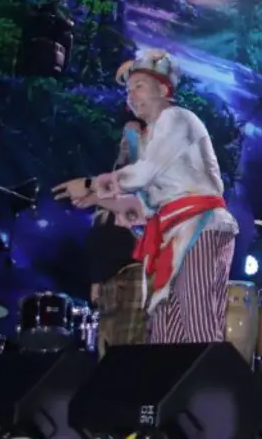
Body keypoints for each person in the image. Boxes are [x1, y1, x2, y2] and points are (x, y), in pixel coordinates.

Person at [88, 49, 238, 343]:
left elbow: (142, 173)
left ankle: (205, 388)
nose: (131, 95)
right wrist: (97, 199)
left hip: (200, 226)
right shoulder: (153, 135)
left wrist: (92, 185)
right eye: (128, 90)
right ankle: (175, 387)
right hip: (170, 234)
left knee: (197, 327)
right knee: (164, 335)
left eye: (139, 86)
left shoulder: (178, 119)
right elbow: (140, 206)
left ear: (164, 88)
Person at [52, 119, 148, 353]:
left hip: (133, 276)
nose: (127, 142)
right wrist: (97, 279)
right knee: (107, 355)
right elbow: (101, 237)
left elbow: (140, 215)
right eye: (125, 137)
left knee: (126, 356)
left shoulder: (147, 177)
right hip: (110, 283)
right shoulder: (114, 182)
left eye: (134, 135)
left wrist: (95, 197)